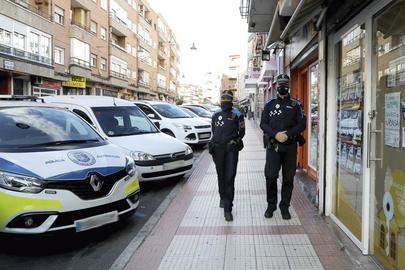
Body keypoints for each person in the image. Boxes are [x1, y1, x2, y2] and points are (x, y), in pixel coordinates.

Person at [260, 74, 306, 220]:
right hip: (273, 147)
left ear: (289, 86)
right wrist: (275, 134)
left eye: (285, 84)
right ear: (276, 86)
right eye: (280, 84)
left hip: (290, 147)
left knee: (288, 178)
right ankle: (271, 205)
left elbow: (302, 124)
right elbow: (263, 124)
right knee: (271, 176)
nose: (282, 86)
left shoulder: (296, 105)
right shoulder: (269, 105)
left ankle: (284, 207)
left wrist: (288, 134)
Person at [209, 90, 245, 222]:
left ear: (232, 100)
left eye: (227, 99)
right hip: (218, 149)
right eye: (223, 98)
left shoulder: (237, 114)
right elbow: (214, 131)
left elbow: (242, 132)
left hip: (231, 149)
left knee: (229, 177)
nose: (225, 101)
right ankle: (222, 197)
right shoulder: (215, 114)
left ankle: (228, 209)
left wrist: (233, 141)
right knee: (221, 175)